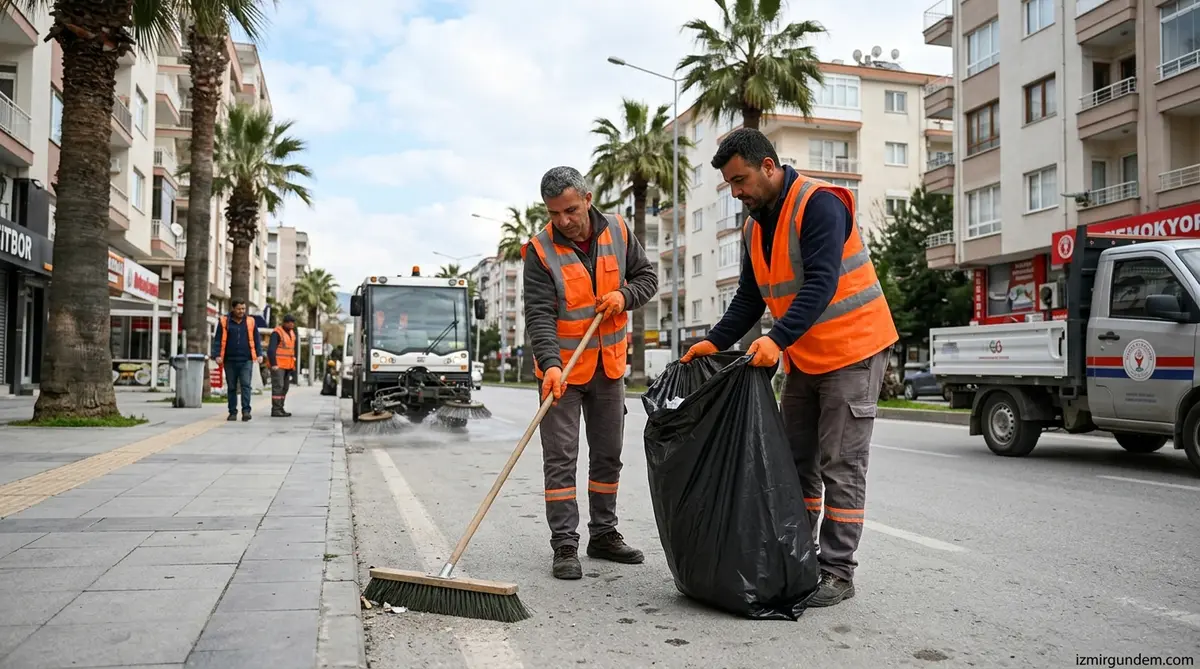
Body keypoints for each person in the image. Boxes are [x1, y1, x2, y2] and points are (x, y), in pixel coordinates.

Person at [680, 128, 899, 607]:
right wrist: (713, 344)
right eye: (730, 186)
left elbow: (820, 284)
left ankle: (838, 571)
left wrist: (776, 339)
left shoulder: (821, 204)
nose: (736, 193)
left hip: (854, 350)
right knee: (795, 460)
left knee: (840, 463)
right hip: (805, 355)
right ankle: (800, 558)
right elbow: (749, 298)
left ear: (769, 166)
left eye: (740, 181)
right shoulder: (754, 226)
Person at [521, 165, 659, 580]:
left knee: (608, 456)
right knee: (560, 458)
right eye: (554, 213)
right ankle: (565, 543)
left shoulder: (618, 231)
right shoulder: (540, 251)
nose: (563, 221)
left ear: (587, 199)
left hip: (609, 367)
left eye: (569, 210)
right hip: (561, 373)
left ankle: (604, 533)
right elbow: (540, 316)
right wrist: (549, 365)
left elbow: (648, 278)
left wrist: (624, 294)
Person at [211, 299, 263, 421]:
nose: (242, 311)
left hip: (246, 360)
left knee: (246, 385)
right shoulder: (224, 321)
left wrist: (259, 354)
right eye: (239, 309)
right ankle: (232, 412)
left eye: (243, 309)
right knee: (232, 387)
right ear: (233, 309)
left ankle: (246, 411)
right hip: (229, 360)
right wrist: (217, 355)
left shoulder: (250, 321)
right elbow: (218, 339)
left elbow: (257, 339)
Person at [267, 314, 298, 417]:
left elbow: (292, 350)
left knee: (285, 387)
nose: (291, 324)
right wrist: (274, 364)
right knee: (278, 387)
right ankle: (275, 410)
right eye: (289, 322)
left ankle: (280, 408)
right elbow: (271, 349)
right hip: (278, 365)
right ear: (284, 322)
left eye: (293, 322)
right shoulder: (277, 333)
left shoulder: (292, 333)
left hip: (288, 365)